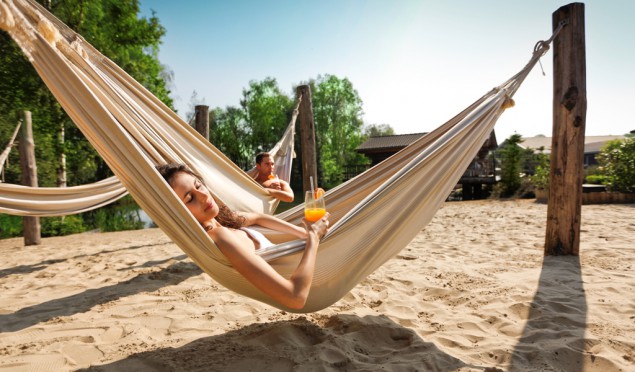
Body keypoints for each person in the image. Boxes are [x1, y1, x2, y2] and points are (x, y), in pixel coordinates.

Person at [156, 163, 329, 309]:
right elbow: (295, 297)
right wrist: (313, 238)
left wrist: (303, 233)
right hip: (316, 280)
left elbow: (260, 218)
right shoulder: (221, 236)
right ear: (178, 213)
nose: (203, 196)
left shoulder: (222, 220)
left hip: (315, 266)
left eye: (198, 185)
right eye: (189, 198)